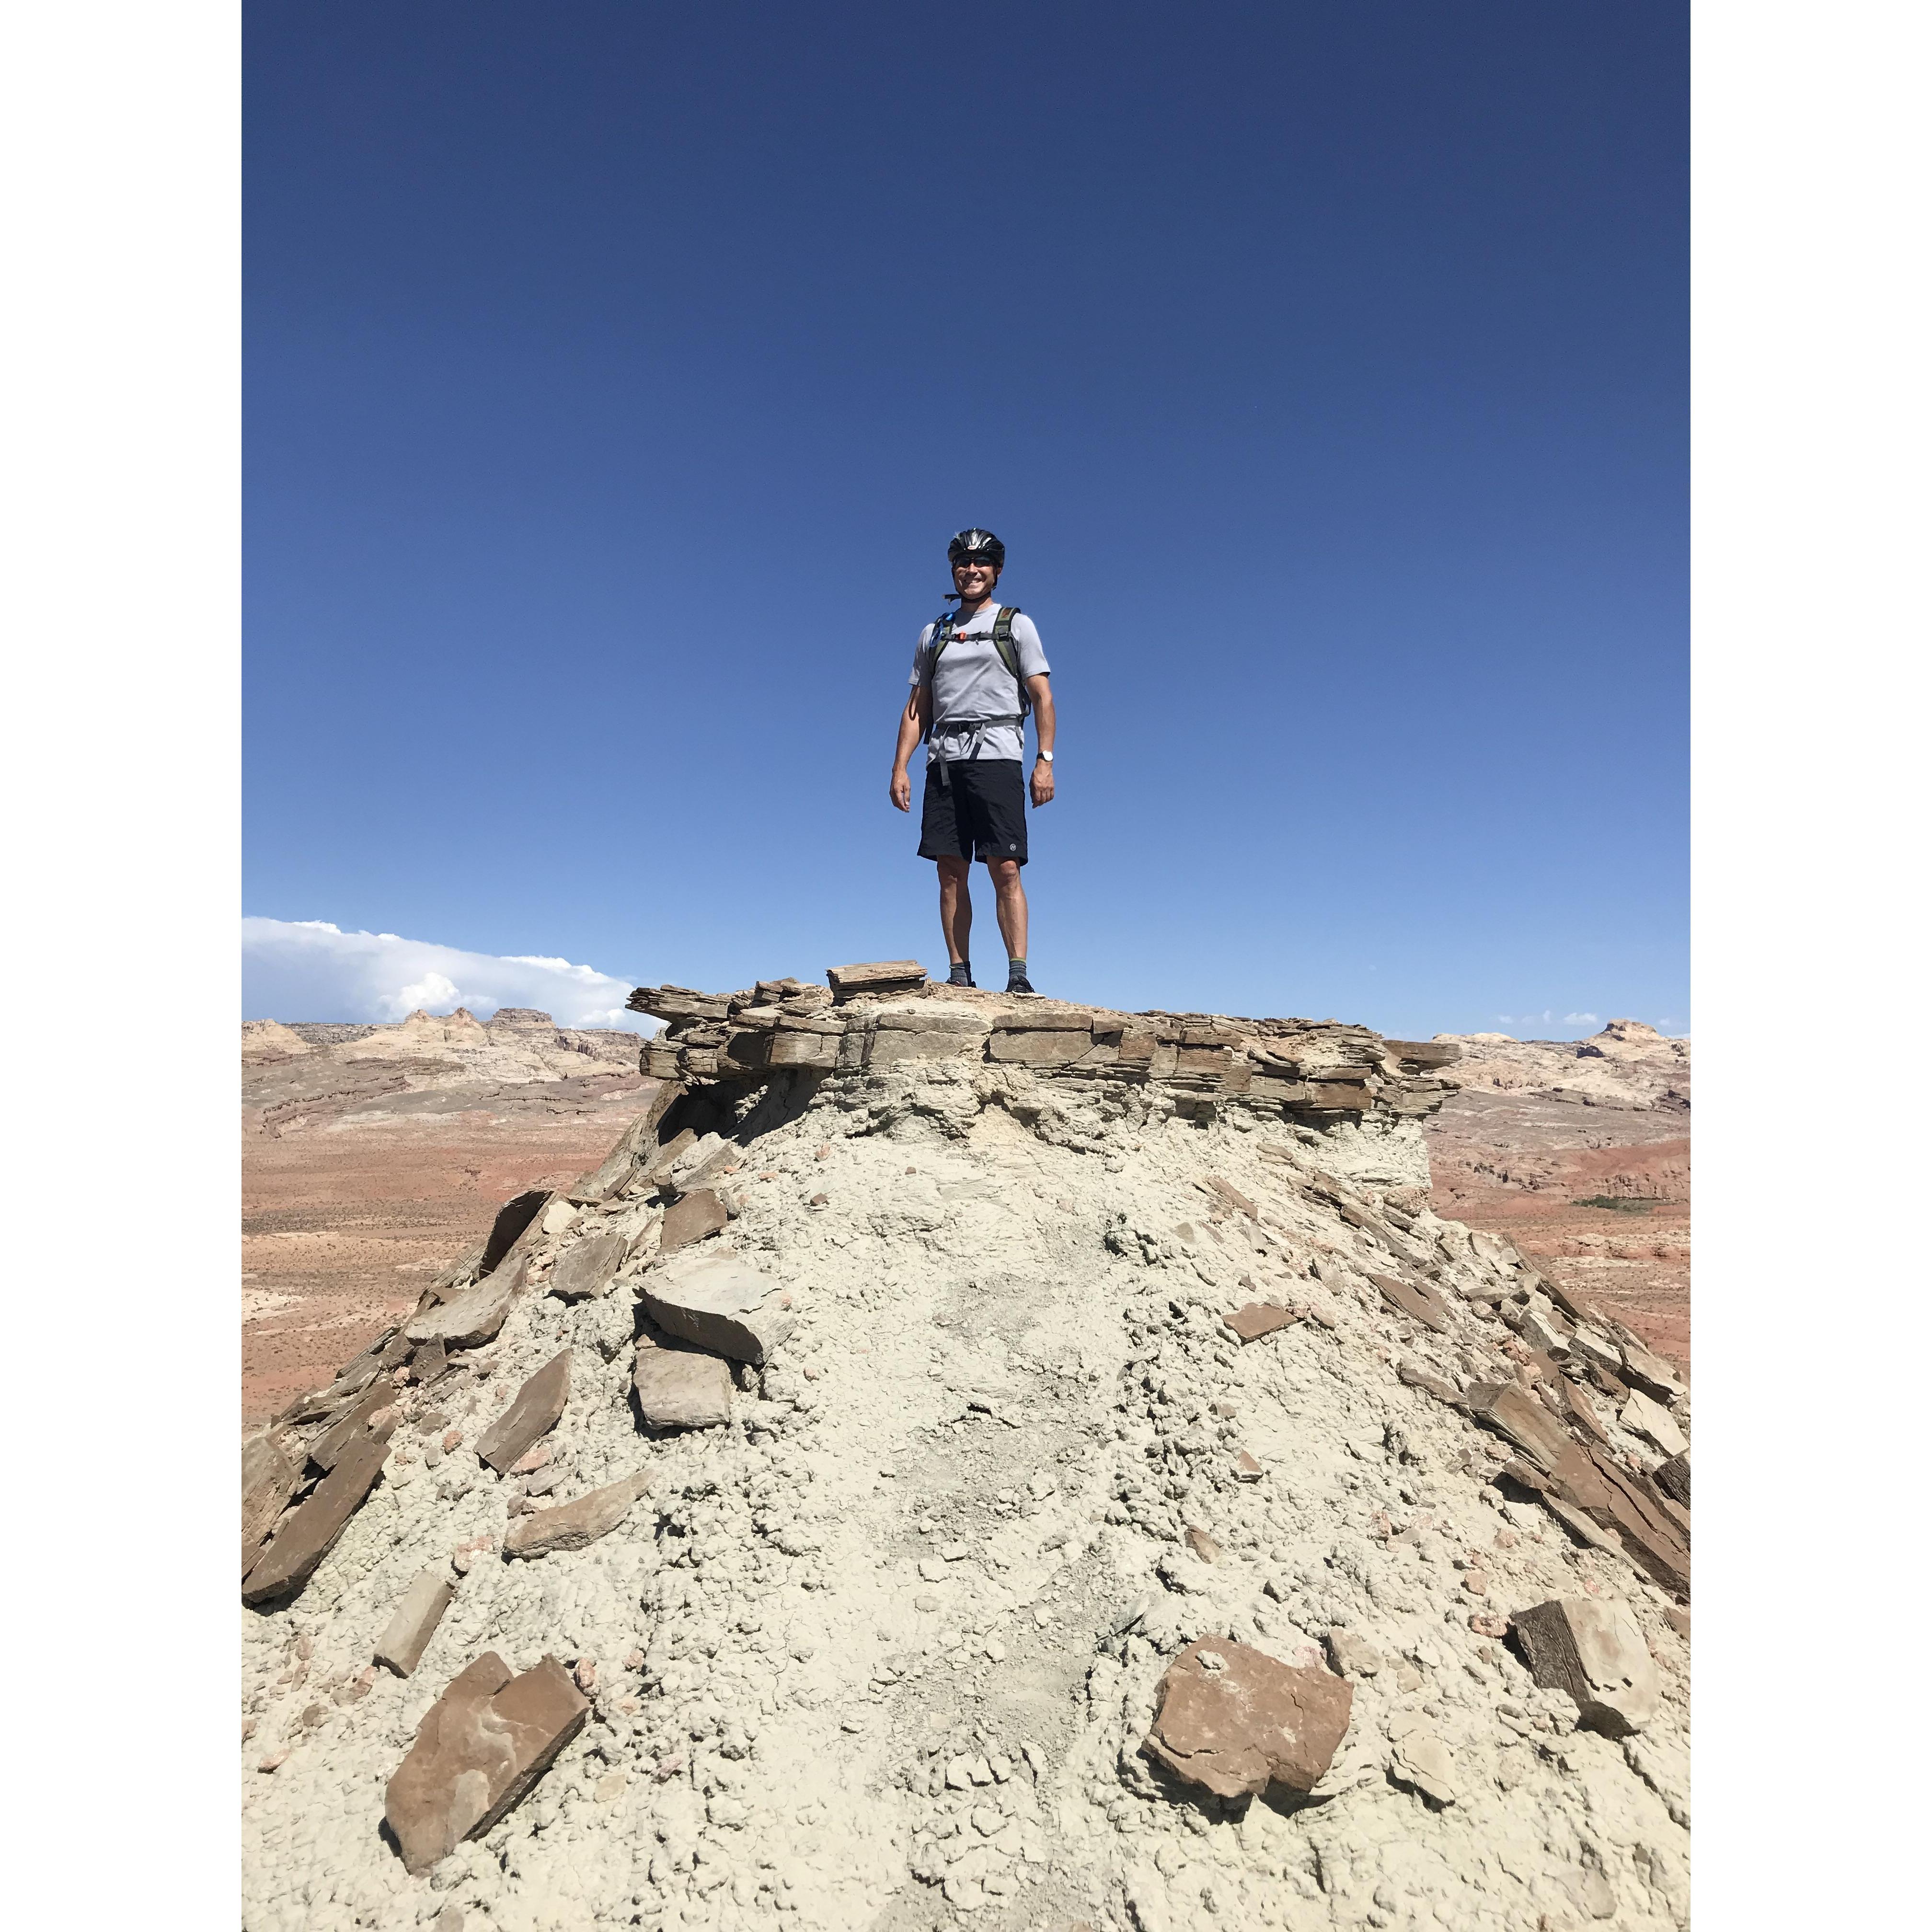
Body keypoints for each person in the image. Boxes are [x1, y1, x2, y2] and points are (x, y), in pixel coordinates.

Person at [889, 528, 1056, 994]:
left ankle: (1018, 975)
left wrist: (1044, 760)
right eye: (963, 563)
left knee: (1005, 866)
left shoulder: (1014, 625)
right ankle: (960, 973)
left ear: (997, 572)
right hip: (944, 761)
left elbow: (1042, 696)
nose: (972, 570)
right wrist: (900, 766)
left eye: (982, 563)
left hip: (998, 756)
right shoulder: (935, 632)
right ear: (954, 571)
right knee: (950, 871)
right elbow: (917, 706)